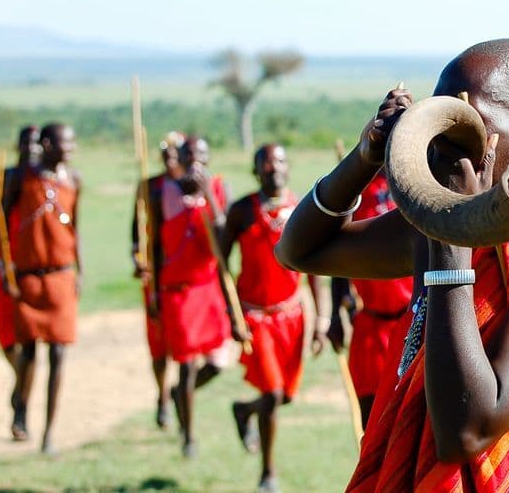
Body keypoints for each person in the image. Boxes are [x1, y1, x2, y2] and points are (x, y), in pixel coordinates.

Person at [276, 39, 509, 492]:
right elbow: (301, 251)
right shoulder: (436, 228)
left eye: (464, 119)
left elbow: (469, 429)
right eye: (437, 115)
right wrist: (365, 158)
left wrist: (449, 234)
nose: (440, 137)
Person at [221, 143, 326, 493]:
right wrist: (232, 314)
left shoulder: (302, 209)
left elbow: (315, 267)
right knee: (272, 392)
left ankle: (243, 410)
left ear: (288, 166)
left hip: (291, 317)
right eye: (265, 163)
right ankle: (268, 473)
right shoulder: (241, 212)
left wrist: (322, 320)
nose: (273, 168)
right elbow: (221, 267)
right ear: (255, 170)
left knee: (285, 396)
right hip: (254, 317)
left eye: (280, 160)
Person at [157, 135, 235, 458]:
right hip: (179, 291)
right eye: (189, 156)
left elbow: (223, 236)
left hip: (209, 288)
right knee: (186, 364)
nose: (195, 162)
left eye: (201, 156)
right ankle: (188, 435)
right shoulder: (165, 190)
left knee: (217, 363)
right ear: (181, 158)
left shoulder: (218, 188)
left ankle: (178, 394)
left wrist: (208, 197)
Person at [10, 123, 82, 455]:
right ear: (49, 144)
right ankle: (21, 405)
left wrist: (79, 269)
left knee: (58, 354)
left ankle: (49, 432)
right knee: (28, 353)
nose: (71, 147)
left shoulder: (74, 180)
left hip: (61, 276)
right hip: (27, 278)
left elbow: (75, 229)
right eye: (66, 142)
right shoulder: (21, 178)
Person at [327, 170, 413, 429]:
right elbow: (339, 254)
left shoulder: (416, 182)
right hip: (370, 324)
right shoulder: (354, 192)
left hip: (413, 323)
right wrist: (335, 314)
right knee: (372, 421)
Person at [0, 125, 40, 439]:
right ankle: (22, 380)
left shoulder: (43, 182)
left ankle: (22, 410)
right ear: (17, 145)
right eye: (26, 142)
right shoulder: (7, 177)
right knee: (6, 339)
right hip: (7, 271)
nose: (31, 149)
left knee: (28, 341)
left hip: (34, 275)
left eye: (36, 143)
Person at [130, 131, 184, 429]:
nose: (169, 158)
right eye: (165, 152)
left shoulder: (189, 189)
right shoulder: (149, 187)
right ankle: (162, 394)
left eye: (175, 152)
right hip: (156, 276)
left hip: (183, 278)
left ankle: (179, 394)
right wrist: (138, 261)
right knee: (158, 342)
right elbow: (135, 235)